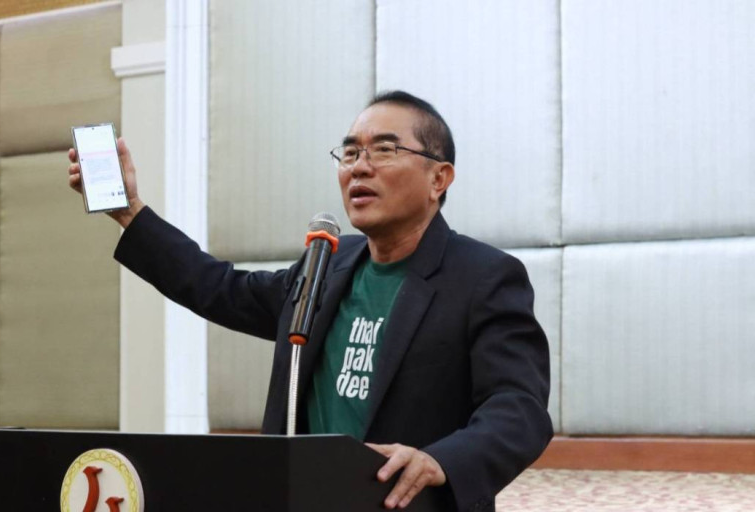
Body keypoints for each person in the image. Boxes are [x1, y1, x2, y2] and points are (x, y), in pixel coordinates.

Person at [68, 91, 552, 512]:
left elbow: (519, 409)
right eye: (350, 152)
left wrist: (439, 460)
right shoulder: (326, 266)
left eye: (385, 150)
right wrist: (129, 211)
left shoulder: (483, 277)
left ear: (438, 178)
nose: (360, 166)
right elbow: (218, 287)